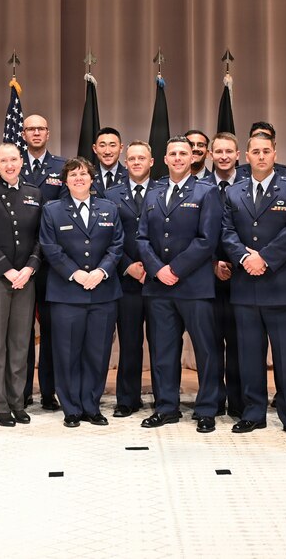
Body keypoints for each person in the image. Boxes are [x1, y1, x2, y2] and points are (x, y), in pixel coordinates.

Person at [221, 133, 286, 438]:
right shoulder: (233, 193)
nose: (260, 156)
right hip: (246, 285)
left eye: (266, 151)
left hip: (280, 285)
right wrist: (246, 257)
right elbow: (227, 232)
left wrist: (265, 258)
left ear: (275, 153)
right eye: (255, 151)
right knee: (249, 355)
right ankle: (253, 412)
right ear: (246, 156)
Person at [136, 137, 223, 433]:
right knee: (162, 350)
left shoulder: (207, 191)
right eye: (172, 153)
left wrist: (175, 269)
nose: (177, 158)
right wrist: (159, 270)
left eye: (183, 153)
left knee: (206, 350)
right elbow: (141, 238)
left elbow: (207, 239)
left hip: (194, 285)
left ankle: (207, 408)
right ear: (164, 157)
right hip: (159, 286)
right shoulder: (154, 192)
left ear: (193, 157)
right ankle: (166, 406)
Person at [39, 158, 124, 427]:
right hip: (67, 293)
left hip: (103, 292)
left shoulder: (109, 208)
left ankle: (91, 405)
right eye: (73, 174)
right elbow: (50, 247)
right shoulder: (52, 210)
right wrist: (76, 274)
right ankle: (72, 408)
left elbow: (117, 245)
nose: (79, 178)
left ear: (91, 179)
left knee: (97, 353)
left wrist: (100, 272)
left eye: (84, 174)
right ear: (65, 181)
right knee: (67, 353)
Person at [0, 143, 44, 427]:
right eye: (4, 160)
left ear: (21, 161)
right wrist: (8, 270)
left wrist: (28, 268)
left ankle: (18, 402)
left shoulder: (35, 194)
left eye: (14, 159)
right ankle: (0, 404)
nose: (10, 165)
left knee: (20, 343)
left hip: (26, 278)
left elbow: (41, 237)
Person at [103, 141, 162, 417]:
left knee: (162, 342)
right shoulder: (111, 194)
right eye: (132, 158)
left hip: (158, 279)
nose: (137, 162)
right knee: (129, 341)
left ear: (152, 162)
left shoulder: (163, 191)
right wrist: (127, 266)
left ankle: (164, 397)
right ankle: (127, 398)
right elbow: (107, 237)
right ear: (126, 163)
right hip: (125, 279)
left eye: (142, 158)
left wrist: (152, 266)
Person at [20, 113, 65, 410]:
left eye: (41, 129)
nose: (36, 133)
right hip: (19, 261)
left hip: (51, 264)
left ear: (48, 133)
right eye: (30, 129)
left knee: (50, 330)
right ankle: (21, 391)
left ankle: (49, 390)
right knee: (21, 331)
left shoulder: (61, 168)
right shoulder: (12, 164)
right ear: (23, 134)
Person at [207, 132, 246, 417]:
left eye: (228, 151)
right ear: (210, 155)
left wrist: (235, 260)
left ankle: (239, 401)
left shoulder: (248, 186)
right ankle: (214, 400)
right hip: (206, 277)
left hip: (244, 275)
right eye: (218, 151)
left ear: (238, 155)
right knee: (211, 343)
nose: (223, 156)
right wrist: (213, 263)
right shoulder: (198, 187)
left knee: (240, 342)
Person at [92, 127, 127, 195]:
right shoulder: (87, 175)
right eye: (102, 146)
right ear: (95, 149)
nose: (107, 151)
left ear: (121, 148)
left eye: (112, 145)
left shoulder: (130, 176)